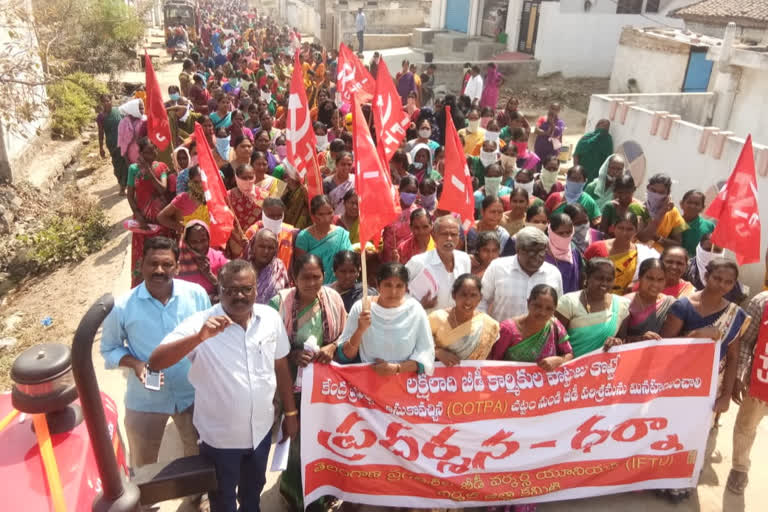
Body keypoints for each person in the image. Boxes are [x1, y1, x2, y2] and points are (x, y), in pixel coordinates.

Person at [149, 260, 298, 512]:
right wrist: (198, 338)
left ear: (255, 290)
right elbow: (155, 361)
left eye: (246, 289)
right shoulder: (201, 324)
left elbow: (281, 366)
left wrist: (291, 414)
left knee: (253, 493)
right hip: (220, 440)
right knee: (223, 500)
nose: (239, 295)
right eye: (231, 289)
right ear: (220, 290)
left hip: (261, 432)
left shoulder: (270, 318)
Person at [100, 236, 210, 470]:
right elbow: (109, 349)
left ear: (178, 267)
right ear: (141, 265)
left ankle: (195, 498)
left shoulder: (196, 295)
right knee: (143, 466)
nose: (159, 270)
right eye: (153, 264)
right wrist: (136, 364)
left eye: (167, 264)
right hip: (145, 401)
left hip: (192, 395)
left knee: (198, 457)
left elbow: (209, 339)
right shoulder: (122, 306)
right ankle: (146, 506)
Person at [660, 258, 750, 502]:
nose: (721, 285)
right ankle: (662, 478)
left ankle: (684, 482)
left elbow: (732, 357)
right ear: (706, 276)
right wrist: (701, 335)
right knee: (671, 432)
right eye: (717, 278)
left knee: (697, 434)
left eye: (728, 282)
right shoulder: (684, 305)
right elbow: (666, 346)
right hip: (679, 381)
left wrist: (725, 395)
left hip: (712, 385)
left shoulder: (735, 315)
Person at [269, 254, 346, 511]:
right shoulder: (279, 304)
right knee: (297, 438)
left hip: (325, 387)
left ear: (325, 276)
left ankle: (322, 491)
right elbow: (265, 345)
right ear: (294, 278)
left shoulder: (333, 300)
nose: (312, 282)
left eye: (317, 277)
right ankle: (295, 491)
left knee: (324, 438)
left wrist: (332, 347)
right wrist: (291, 353)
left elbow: (346, 338)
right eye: (305, 277)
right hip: (292, 386)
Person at [338, 262, 435, 376]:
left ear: (406, 288)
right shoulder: (362, 308)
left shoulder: (415, 310)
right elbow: (344, 356)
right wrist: (360, 330)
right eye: (388, 285)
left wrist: (397, 368)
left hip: (405, 384)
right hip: (368, 384)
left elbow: (426, 355)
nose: (393, 292)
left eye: (399, 286)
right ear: (378, 286)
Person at [728, 286, 768, 495]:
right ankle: (739, 467)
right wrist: (739, 374)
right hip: (760, 381)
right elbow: (745, 341)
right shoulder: (762, 301)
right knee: (746, 428)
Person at [480, 226, 563, 322]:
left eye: (542, 251)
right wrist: (487, 325)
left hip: (539, 336)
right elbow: (481, 300)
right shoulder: (497, 267)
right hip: (502, 334)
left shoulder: (553, 273)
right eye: (532, 251)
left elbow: (557, 309)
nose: (538, 256)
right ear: (518, 250)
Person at [556, 258, 630, 357]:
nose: (604, 283)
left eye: (609, 280)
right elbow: (554, 340)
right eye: (599, 278)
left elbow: (622, 339)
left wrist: (616, 341)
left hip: (602, 367)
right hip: (570, 367)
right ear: (587, 277)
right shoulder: (568, 302)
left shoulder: (622, 305)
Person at [491, 285, 573, 370]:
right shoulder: (507, 329)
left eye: (549, 309)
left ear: (555, 309)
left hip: (546, 382)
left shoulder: (555, 326)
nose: (542, 313)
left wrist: (559, 360)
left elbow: (569, 354)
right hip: (511, 380)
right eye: (537, 306)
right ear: (528, 303)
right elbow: (493, 363)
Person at [126, 138, 171, 287]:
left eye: (153, 150)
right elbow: (130, 195)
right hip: (142, 220)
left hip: (160, 219)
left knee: (162, 252)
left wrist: (150, 172)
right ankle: (142, 285)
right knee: (143, 254)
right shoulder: (133, 170)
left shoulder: (162, 168)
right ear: (141, 153)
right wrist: (138, 215)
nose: (151, 154)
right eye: (147, 152)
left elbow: (162, 189)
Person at [405, 215, 471, 313]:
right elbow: (399, 293)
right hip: (426, 324)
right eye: (444, 234)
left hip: (455, 323)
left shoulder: (464, 259)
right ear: (434, 235)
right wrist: (420, 305)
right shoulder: (418, 262)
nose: (449, 238)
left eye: (453, 234)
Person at [430, 274, 500, 364]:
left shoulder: (489, 325)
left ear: (480, 298)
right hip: (442, 376)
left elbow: (490, 360)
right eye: (463, 295)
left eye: (473, 295)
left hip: (473, 376)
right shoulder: (437, 318)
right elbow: (419, 346)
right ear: (454, 295)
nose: (468, 301)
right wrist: (437, 353)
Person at [585, 211, 658, 294]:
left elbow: (652, 276)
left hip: (625, 302)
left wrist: (636, 283)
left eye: (629, 229)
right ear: (613, 228)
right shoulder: (597, 248)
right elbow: (583, 274)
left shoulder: (641, 253)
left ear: (636, 231)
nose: (624, 233)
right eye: (620, 228)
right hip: (596, 298)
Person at [295, 195, 352, 284]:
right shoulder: (303, 237)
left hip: (340, 285)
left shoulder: (342, 234)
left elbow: (349, 260)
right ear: (313, 216)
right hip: (313, 285)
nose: (326, 218)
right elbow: (301, 268)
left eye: (329, 213)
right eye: (321, 214)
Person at [685, 232, 749, 304]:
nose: (711, 254)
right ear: (699, 248)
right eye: (708, 249)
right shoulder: (685, 269)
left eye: (717, 251)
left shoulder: (731, 279)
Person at [624, 258, 676, 342]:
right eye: (650, 278)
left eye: (660, 280)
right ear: (640, 278)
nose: (655, 284)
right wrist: (640, 339)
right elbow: (618, 339)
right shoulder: (625, 302)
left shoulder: (670, 303)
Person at [177, 221, 229, 301]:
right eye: (194, 242)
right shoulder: (179, 261)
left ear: (209, 238)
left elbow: (230, 291)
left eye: (203, 240)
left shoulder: (219, 259)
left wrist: (209, 275)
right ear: (186, 242)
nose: (199, 246)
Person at [636, 173, 686, 252]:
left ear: (668, 193)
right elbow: (643, 238)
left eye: (661, 192)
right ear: (648, 187)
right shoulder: (637, 208)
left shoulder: (673, 212)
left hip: (659, 259)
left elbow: (677, 244)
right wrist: (661, 213)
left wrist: (657, 238)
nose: (656, 195)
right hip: (636, 255)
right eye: (653, 190)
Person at [245, 197, 298, 271]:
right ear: (263, 213)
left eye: (279, 216)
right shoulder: (253, 232)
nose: (275, 219)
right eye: (271, 216)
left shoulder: (291, 233)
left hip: (283, 278)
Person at [247, 229, 290, 305]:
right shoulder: (242, 269)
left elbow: (286, 297)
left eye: (270, 248)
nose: (266, 251)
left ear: (276, 250)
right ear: (253, 247)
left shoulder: (279, 269)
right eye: (261, 246)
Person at [97, 94, 129, 195]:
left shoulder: (119, 111)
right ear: (101, 103)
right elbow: (101, 132)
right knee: (117, 164)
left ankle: (125, 186)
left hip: (124, 142)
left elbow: (127, 123)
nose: (107, 103)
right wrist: (101, 147)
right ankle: (121, 183)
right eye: (104, 102)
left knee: (126, 163)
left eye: (108, 101)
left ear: (111, 101)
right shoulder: (101, 117)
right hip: (112, 144)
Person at [382, 175, 419, 262]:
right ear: (400, 190)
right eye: (408, 191)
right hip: (388, 258)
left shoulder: (417, 213)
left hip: (409, 259)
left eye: (414, 192)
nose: (411, 194)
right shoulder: (390, 209)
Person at [597, 173, 644, 238]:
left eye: (627, 192)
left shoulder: (638, 207)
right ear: (614, 191)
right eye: (620, 193)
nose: (623, 196)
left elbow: (640, 233)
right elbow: (602, 231)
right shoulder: (610, 207)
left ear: (634, 189)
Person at [546, 213, 582, 294]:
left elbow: (580, 278)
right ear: (551, 232)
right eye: (561, 233)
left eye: (568, 232)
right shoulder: (542, 253)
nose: (565, 236)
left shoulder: (574, 250)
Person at [572, 119, 613, 183]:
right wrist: (576, 170)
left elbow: (609, 160)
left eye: (606, 128)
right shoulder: (587, 137)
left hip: (596, 177)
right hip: (581, 173)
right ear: (597, 126)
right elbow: (576, 154)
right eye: (603, 127)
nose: (602, 132)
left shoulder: (608, 140)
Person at [679, 189, 715, 257]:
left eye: (697, 204)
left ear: (702, 208)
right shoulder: (673, 223)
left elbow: (715, 250)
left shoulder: (709, 226)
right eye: (689, 202)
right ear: (681, 204)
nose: (692, 206)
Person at [323, 151, 355, 215]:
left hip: (353, 219)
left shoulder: (355, 180)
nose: (346, 167)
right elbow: (325, 206)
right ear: (336, 164)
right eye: (343, 164)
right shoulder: (327, 182)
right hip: (335, 220)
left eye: (349, 164)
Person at [117, 98, 147, 166]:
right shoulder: (124, 123)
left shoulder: (145, 119)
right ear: (134, 109)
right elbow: (122, 143)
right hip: (132, 154)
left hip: (146, 152)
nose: (142, 111)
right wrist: (127, 160)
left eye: (143, 108)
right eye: (140, 109)